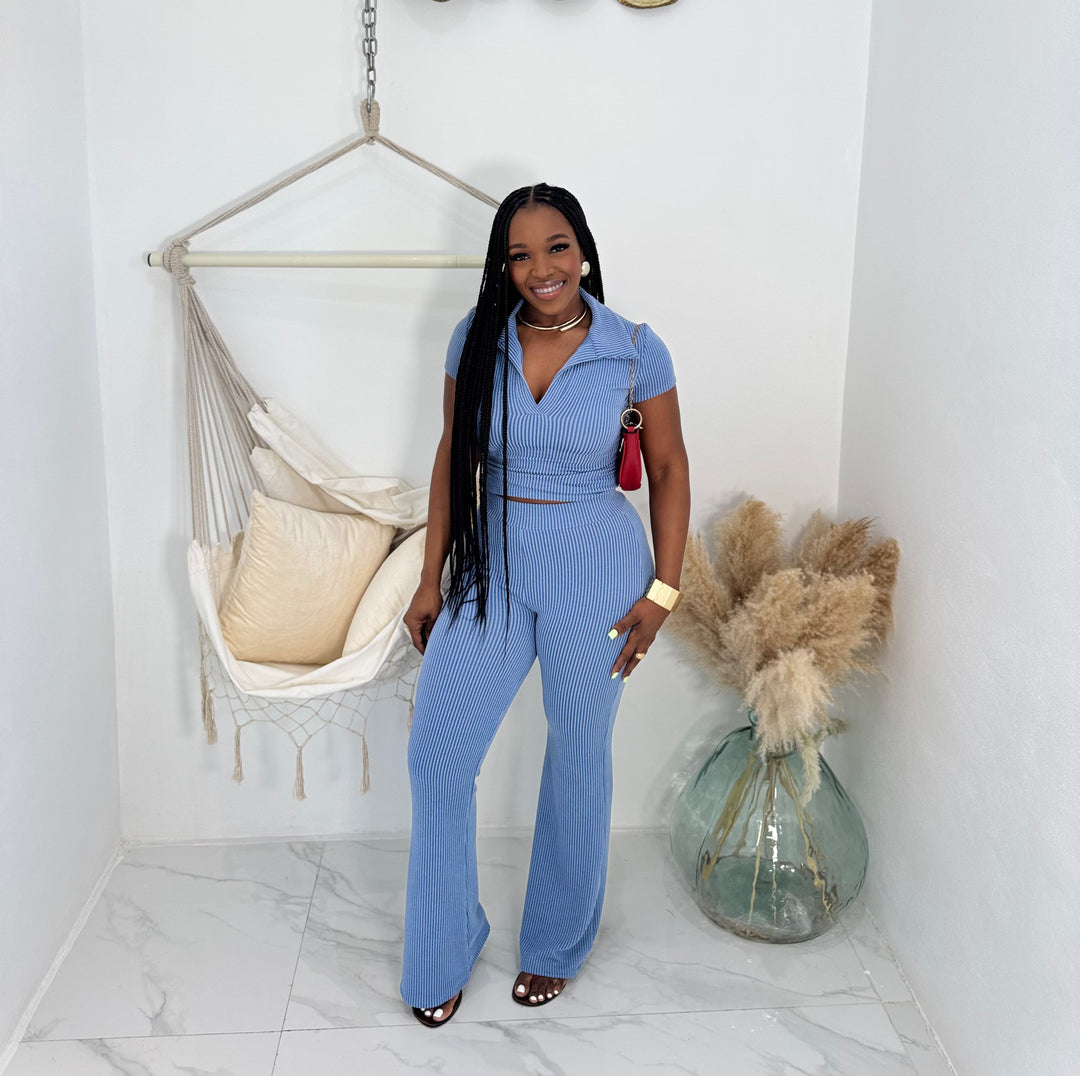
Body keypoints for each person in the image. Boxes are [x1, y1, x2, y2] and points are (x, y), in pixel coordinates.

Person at [399, 183, 691, 1027]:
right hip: (491, 564)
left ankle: (556, 945)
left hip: (597, 570)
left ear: (584, 251)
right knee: (437, 757)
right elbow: (453, 456)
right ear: (504, 266)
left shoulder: (634, 350)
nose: (541, 269)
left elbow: (668, 469)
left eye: (556, 247)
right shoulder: (475, 337)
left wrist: (663, 592)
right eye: (519, 255)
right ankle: (444, 945)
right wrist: (430, 579)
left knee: (577, 752)